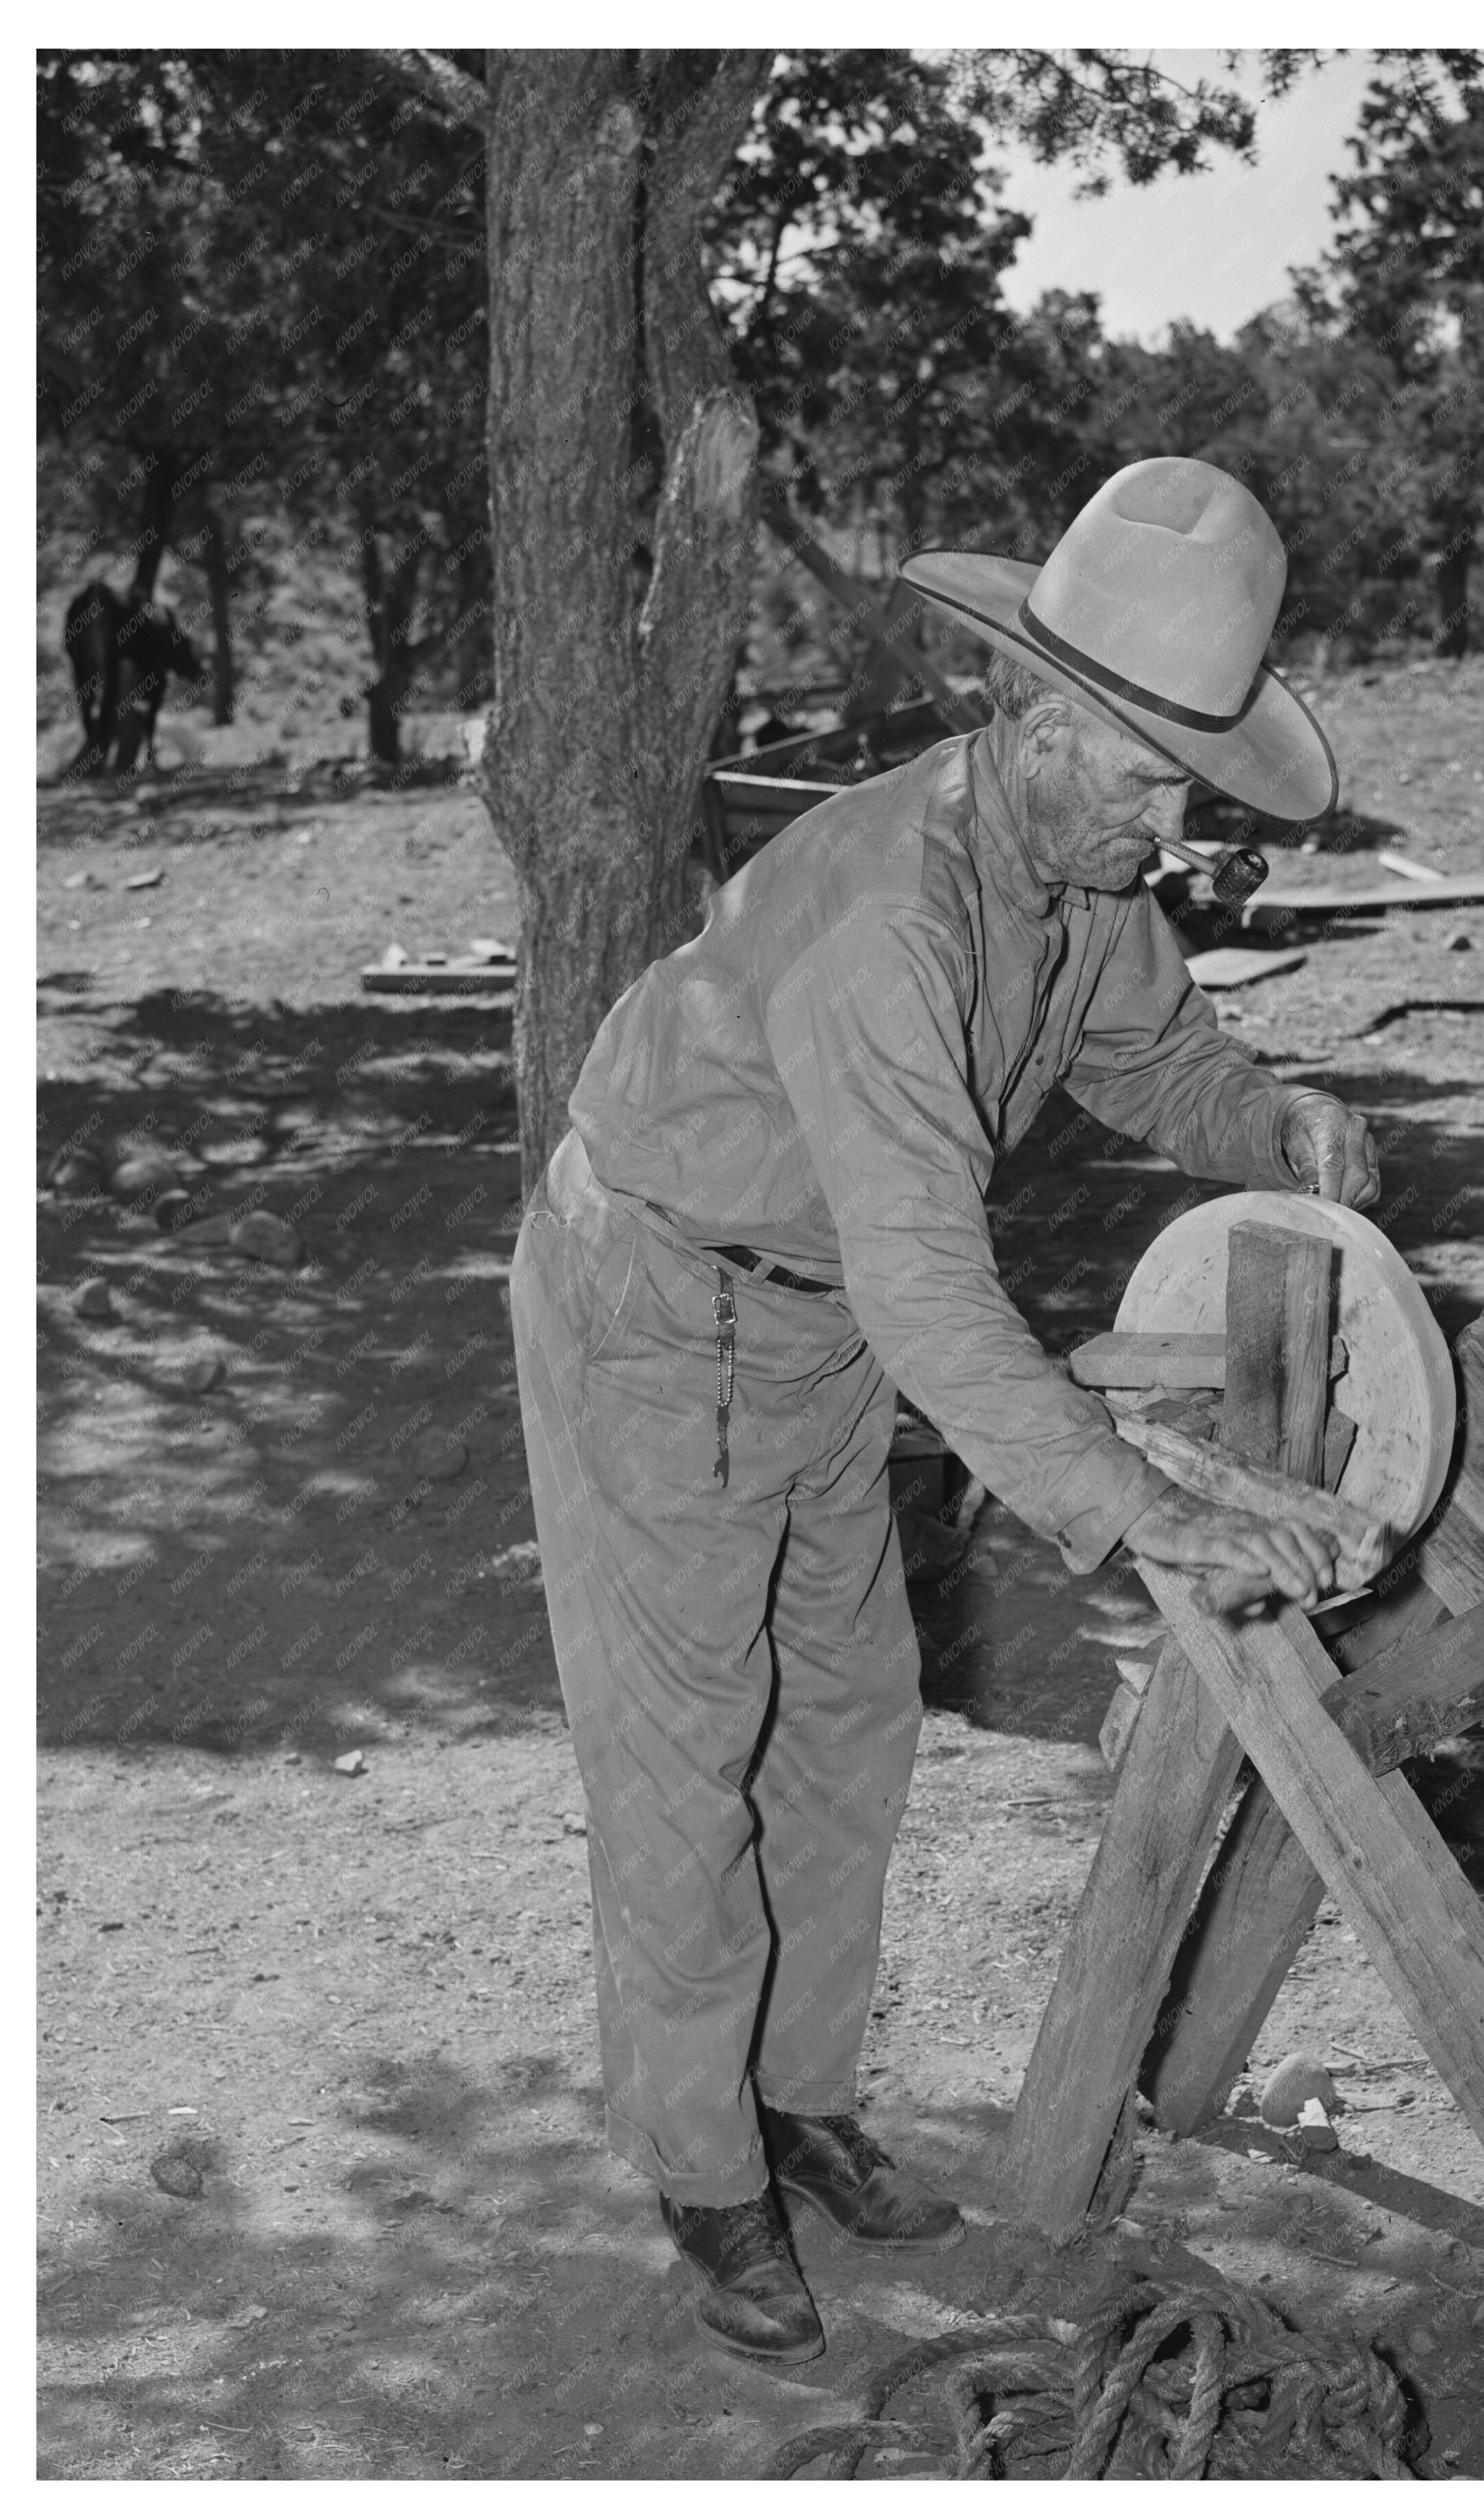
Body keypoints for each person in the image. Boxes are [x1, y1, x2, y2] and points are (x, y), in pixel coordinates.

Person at [510, 457, 1382, 2365]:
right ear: (1037, 721)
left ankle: (802, 2101)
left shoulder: (1076, 867)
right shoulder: (887, 923)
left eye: (1188, 791)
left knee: (845, 1726)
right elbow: (930, 1285)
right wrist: (1136, 1504)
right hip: (662, 1299)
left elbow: (1154, 1053)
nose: (1171, 833)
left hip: (812, 1319)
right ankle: (704, 2167)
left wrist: (1275, 1124)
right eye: (1152, 783)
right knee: (687, 1756)